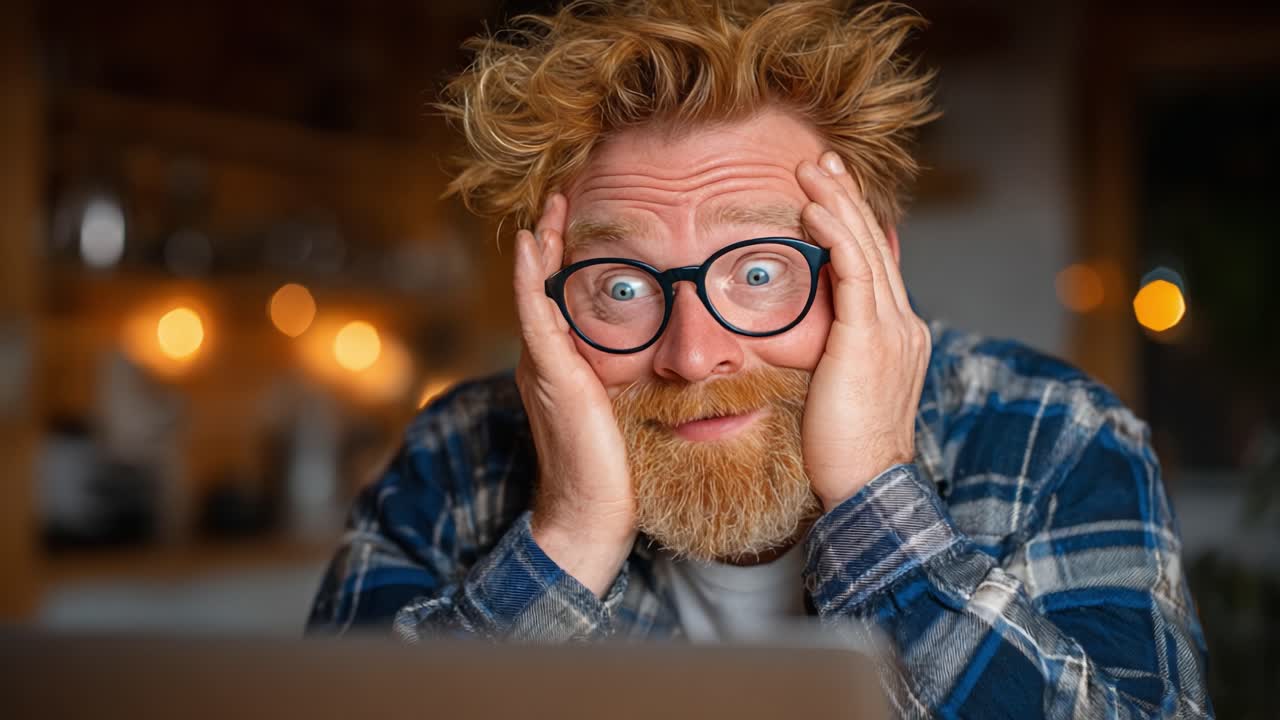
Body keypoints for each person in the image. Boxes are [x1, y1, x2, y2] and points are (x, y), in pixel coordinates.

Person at [307, 1, 1211, 716]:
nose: (693, 354)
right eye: (621, 285)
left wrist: (875, 499)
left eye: (761, 272)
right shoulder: (454, 457)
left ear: (871, 265)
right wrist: (568, 539)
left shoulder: (1057, 436)